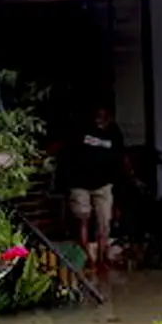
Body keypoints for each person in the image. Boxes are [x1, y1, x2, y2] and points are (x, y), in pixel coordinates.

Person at [62, 106, 128, 268]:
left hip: (104, 184)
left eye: (104, 115)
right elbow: (68, 153)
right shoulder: (82, 128)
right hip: (79, 182)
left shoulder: (114, 132)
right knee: (83, 218)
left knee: (104, 222)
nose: (101, 118)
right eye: (98, 114)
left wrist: (118, 185)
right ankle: (88, 259)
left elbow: (120, 157)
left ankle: (100, 259)